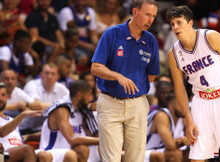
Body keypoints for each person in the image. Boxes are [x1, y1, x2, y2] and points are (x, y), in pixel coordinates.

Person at [166, 5, 220, 161]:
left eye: (179, 22)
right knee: (197, 156)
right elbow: (179, 88)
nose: (175, 27)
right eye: (172, 24)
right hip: (200, 101)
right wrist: (188, 117)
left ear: (190, 23)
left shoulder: (210, 37)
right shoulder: (173, 54)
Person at [90, 0, 160, 161]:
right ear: (135, 12)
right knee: (111, 158)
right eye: (147, 14)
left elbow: (152, 75)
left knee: (136, 158)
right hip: (110, 103)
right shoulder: (112, 34)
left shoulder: (151, 41)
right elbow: (96, 67)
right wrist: (118, 76)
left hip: (137, 104)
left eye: (154, 16)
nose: (151, 20)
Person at [39, 80, 100, 162]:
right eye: (89, 94)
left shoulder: (81, 110)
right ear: (79, 95)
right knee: (81, 149)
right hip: (53, 151)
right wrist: (102, 140)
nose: (91, 98)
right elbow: (72, 139)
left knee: (105, 150)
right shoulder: (61, 109)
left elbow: (90, 135)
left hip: (71, 150)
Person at [0, 82, 47, 162]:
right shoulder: (16, 120)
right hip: (3, 154)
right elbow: (2, 132)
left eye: (3, 95)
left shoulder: (11, 120)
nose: (0, 98)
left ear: (7, 97)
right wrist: (22, 115)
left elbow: (19, 141)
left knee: (44, 156)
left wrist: (28, 136)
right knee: (27, 150)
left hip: (18, 153)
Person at [20, 63, 69, 133]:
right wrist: (61, 106)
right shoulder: (32, 85)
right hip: (27, 129)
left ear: (57, 77)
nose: (49, 76)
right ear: (41, 75)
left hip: (47, 130)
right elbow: (36, 106)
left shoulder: (61, 88)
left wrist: (46, 106)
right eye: (46, 73)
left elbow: (71, 104)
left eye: (53, 74)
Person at [145, 92, 190, 162]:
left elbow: (190, 139)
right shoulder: (162, 115)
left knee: (193, 152)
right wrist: (183, 141)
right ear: (171, 106)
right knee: (175, 154)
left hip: (162, 149)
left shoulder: (183, 117)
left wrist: (185, 141)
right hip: (146, 150)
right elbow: (170, 145)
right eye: (181, 105)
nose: (184, 108)